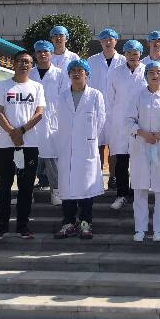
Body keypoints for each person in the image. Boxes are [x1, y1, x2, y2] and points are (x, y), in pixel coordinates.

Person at [0, 51, 46, 240]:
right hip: (5, 147)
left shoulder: (37, 87)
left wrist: (21, 131)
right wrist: (12, 134)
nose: (24, 64)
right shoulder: (3, 85)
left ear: (32, 66)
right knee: (3, 186)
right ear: (13, 64)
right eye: (21, 61)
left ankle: (23, 226)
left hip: (28, 146)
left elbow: (39, 113)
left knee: (26, 187)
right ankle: (2, 226)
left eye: (28, 62)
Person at [124, 61, 160, 242]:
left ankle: (159, 230)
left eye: (158, 72)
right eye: (151, 72)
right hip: (141, 147)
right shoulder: (137, 96)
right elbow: (128, 121)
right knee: (140, 189)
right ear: (145, 75)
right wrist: (142, 133)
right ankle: (140, 228)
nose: (155, 75)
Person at [52, 60, 106, 240]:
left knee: (86, 188)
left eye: (80, 70)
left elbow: (100, 121)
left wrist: (89, 138)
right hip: (66, 147)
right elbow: (57, 120)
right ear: (68, 74)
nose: (76, 73)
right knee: (67, 188)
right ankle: (68, 223)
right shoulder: (62, 97)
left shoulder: (95, 95)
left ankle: (85, 223)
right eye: (73, 71)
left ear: (86, 74)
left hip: (86, 148)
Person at [106, 40, 147, 211]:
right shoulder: (116, 72)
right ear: (124, 54)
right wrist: (111, 121)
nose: (132, 55)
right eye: (128, 52)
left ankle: (136, 193)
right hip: (120, 122)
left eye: (135, 52)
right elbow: (109, 98)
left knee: (138, 160)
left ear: (140, 54)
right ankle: (122, 194)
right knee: (121, 160)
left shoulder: (147, 70)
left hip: (141, 121)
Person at [86, 28, 126, 188]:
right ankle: (97, 177)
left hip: (117, 111)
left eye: (111, 39)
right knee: (98, 144)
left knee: (115, 146)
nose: (108, 42)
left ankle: (113, 177)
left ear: (116, 41)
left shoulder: (124, 61)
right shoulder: (92, 61)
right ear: (100, 42)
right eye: (104, 39)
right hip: (96, 110)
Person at [30, 40, 68, 204]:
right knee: (28, 159)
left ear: (52, 54)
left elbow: (65, 99)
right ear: (35, 54)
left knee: (52, 159)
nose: (42, 54)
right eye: (39, 51)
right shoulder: (29, 73)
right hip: (30, 122)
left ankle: (56, 191)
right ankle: (26, 193)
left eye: (46, 51)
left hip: (52, 122)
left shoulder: (60, 74)